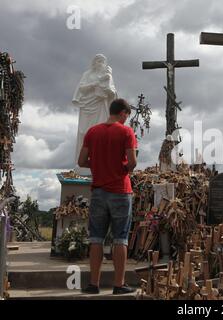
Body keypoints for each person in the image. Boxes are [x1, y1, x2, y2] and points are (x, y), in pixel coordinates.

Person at [78, 98, 137, 294]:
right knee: (120, 239)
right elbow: (133, 162)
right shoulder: (126, 131)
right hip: (120, 191)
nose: (126, 120)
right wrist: (121, 168)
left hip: (98, 191)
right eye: (126, 117)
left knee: (96, 238)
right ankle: (118, 285)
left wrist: (97, 165)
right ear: (123, 113)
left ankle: (93, 284)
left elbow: (81, 161)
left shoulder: (93, 132)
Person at [73, 54, 117, 176]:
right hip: (87, 106)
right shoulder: (87, 74)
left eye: (102, 61)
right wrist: (95, 84)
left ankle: (100, 162)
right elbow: (81, 88)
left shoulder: (107, 76)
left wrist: (108, 83)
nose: (100, 63)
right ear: (94, 63)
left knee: (100, 133)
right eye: (98, 61)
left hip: (101, 106)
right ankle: (83, 161)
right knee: (84, 132)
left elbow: (113, 93)